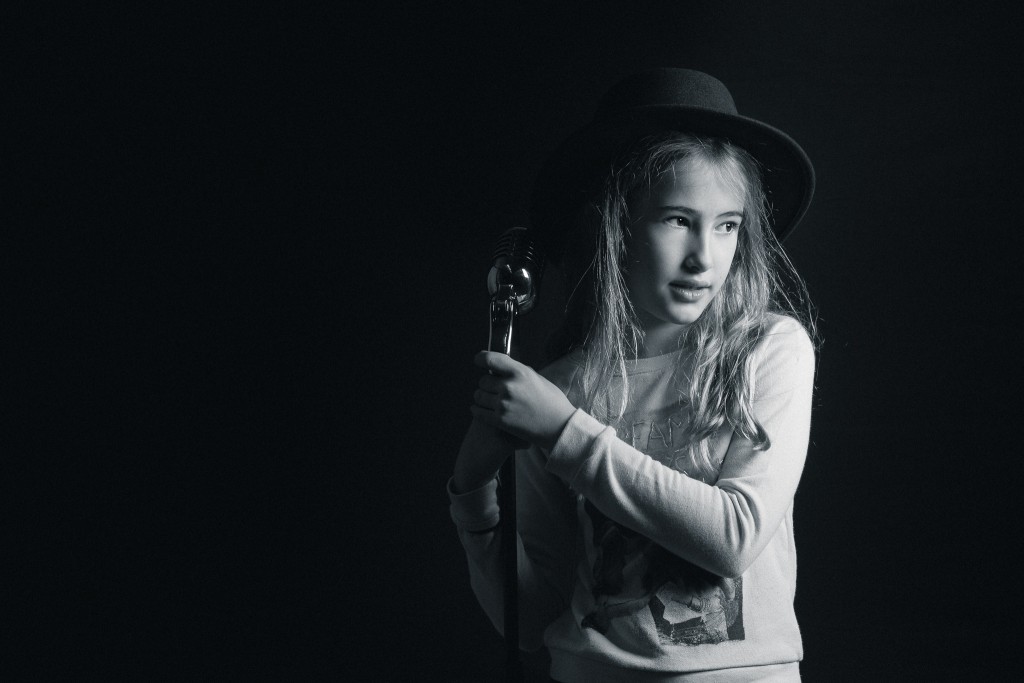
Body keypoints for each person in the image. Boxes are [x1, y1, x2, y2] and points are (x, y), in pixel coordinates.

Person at [448, 68, 818, 682]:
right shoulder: (562, 388)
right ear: (614, 225)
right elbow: (534, 616)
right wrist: (472, 493)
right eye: (676, 219)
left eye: (727, 225)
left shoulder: (767, 350)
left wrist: (566, 433)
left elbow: (734, 537)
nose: (705, 256)